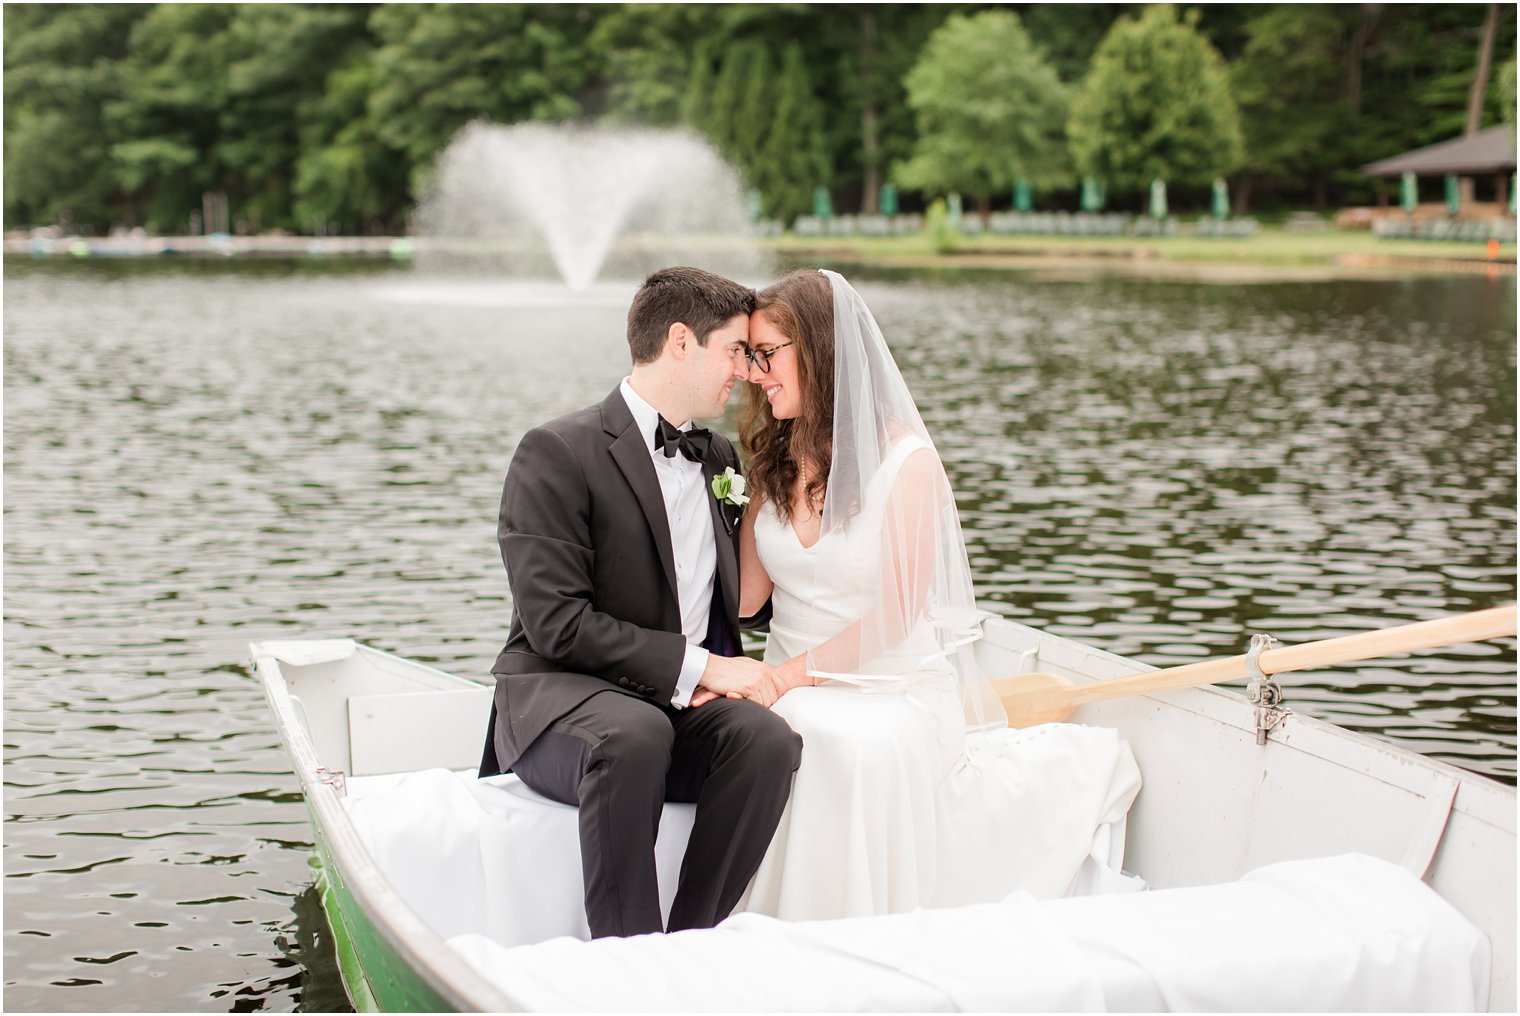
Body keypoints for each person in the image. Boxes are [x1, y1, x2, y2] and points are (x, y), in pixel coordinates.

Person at [731, 269, 1139, 920]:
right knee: (781, 725)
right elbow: (748, 600)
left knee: (842, 740)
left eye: (767, 354)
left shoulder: (906, 463)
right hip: (790, 676)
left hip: (888, 684)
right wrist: (721, 501)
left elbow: (894, 617)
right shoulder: (771, 461)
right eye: (750, 357)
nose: (756, 373)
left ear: (817, 351)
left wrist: (787, 678)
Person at [478, 266, 803, 939]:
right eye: (735, 351)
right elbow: (555, 625)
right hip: (561, 710)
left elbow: (740, 603)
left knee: (766, 741)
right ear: (681, 343)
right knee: (633, 734)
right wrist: (701, 667)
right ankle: (625, 960)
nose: (744, 371)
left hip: (670, 708)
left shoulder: (719, 460)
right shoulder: (556, 452)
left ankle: (690, 942)